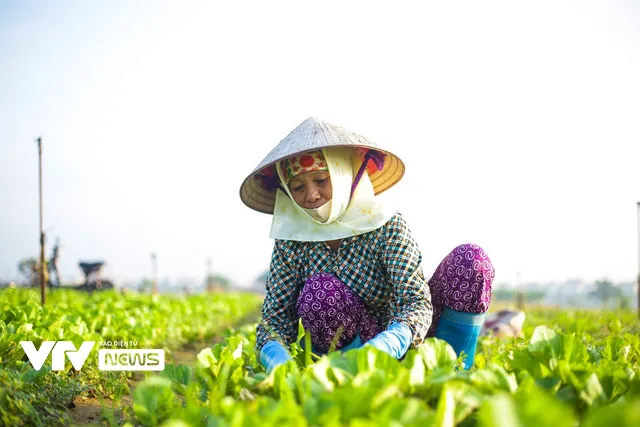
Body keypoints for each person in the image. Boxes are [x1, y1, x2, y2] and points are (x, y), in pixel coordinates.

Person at [239, 117, 495, 373]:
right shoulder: (291, 243)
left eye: (321, 180)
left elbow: (415, 301)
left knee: (471, 260)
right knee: (319, 292)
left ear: (342, 175)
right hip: (353, 362)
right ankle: (355, 379)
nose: (311, 195)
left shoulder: (386, 226)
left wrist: (389, 343)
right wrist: (280, 365)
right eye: (297, 187)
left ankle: (454, 371)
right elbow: (274, 323)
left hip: (411, 342)